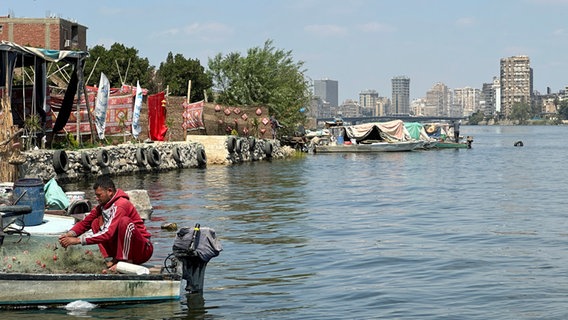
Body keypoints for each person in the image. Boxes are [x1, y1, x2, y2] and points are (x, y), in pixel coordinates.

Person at [58, 175, 153, 271]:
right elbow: (85, 223)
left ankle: (123, 261)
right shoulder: (102, 206)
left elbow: (108, 233)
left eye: (99, 195)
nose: (97, 198)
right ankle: (110, 259)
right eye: (96, 195)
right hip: (126, 249)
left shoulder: (121, 205)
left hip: (143, 250)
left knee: (124, 222)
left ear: (110, 191)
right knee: (95, 222)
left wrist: (78, 240)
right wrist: (68, 235)